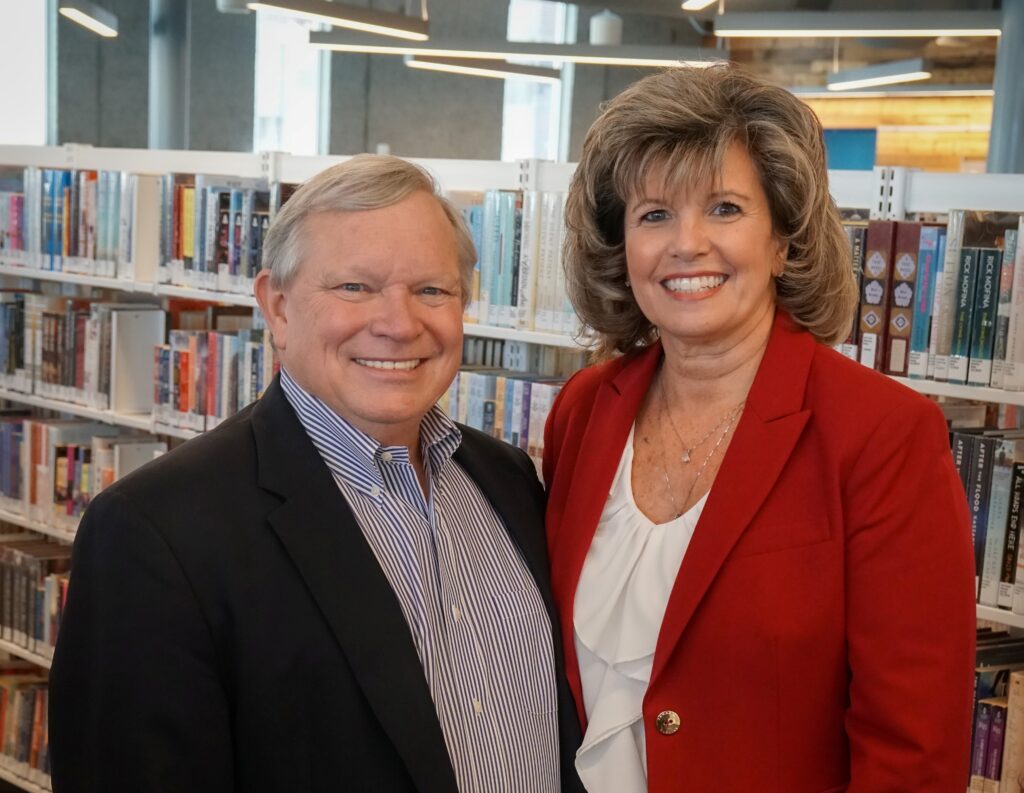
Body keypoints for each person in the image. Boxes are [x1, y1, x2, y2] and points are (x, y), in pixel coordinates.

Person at [49, 155, 584, 793]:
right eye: (354, 287)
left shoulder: (506, 479)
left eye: (432, 290)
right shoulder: (156, 533)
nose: (399, 323)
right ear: (276, 306)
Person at [542, 64, 976, 793]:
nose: (687, 244)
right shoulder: (584, 410)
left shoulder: (882, 434)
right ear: (622, 248)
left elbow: (914, 750)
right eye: (654, 214)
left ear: (784, 242)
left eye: (723, 209)